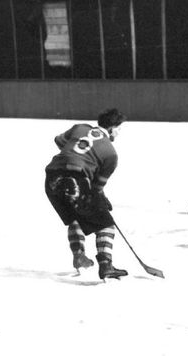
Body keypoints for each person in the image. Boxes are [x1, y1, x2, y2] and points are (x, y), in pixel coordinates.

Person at [44, 108, 128, 280]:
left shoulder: (80, 127)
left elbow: (59, 140)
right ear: (112, 128)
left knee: (75, 218)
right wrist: (101, 201)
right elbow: (97, 188)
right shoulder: (111, 154)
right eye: (119, 128)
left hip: (52, 177)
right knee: (105, 224)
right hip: (76, 179)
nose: (119, 132)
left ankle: (79, 256)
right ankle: (106, 265)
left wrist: (72, 154)